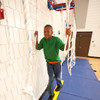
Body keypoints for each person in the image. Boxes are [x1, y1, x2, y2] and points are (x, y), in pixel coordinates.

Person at [34, 24, 71, 100]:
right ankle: (51, 94)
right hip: (49, 63)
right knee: (50, 78)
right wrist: (36, 37)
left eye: (48, 31)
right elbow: (37, 47)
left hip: (57, 62)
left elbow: (65, 48)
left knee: (57, 77)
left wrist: (68, 37)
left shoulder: (56, 40)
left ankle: (59, 85)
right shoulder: (43, 40)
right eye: (44, 31)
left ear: (52, 32)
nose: (46, 33)